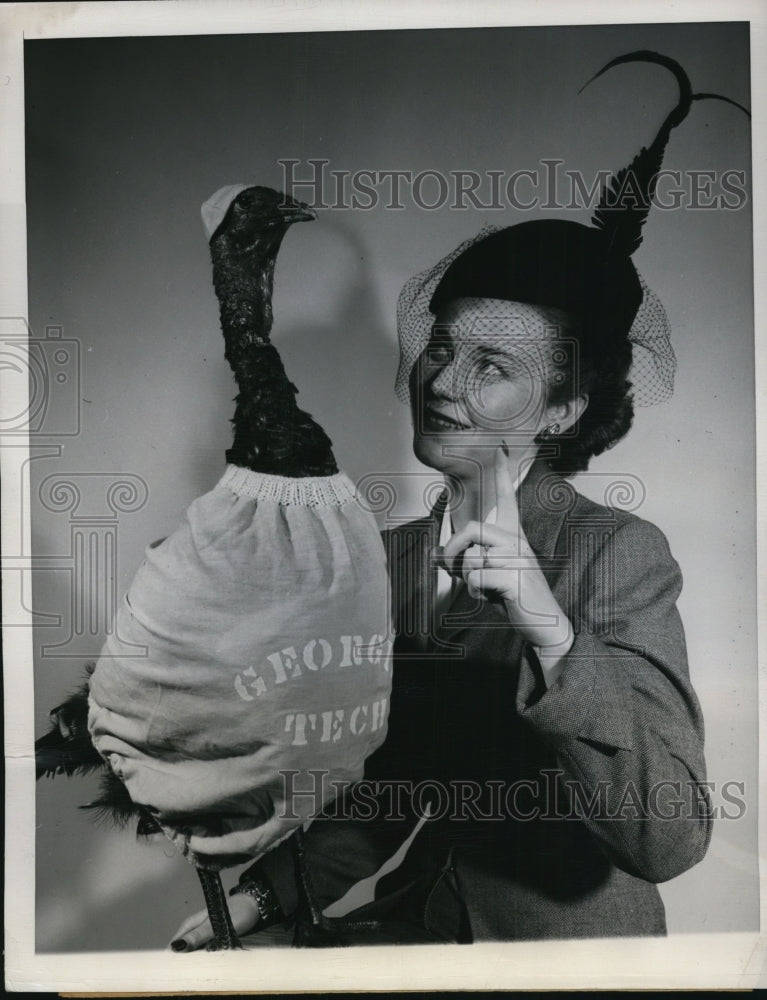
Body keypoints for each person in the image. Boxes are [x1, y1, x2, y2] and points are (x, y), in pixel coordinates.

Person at [169, 51, 746, 950]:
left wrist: (542, 621)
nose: (442, 383)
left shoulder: (614, 552)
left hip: (570, 964)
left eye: (493, 366)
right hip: (419, 935)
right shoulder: (396, 557)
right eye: (442, 348)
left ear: (563, 407)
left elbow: (668, 837)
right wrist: (260, 901)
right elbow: (398, 781)